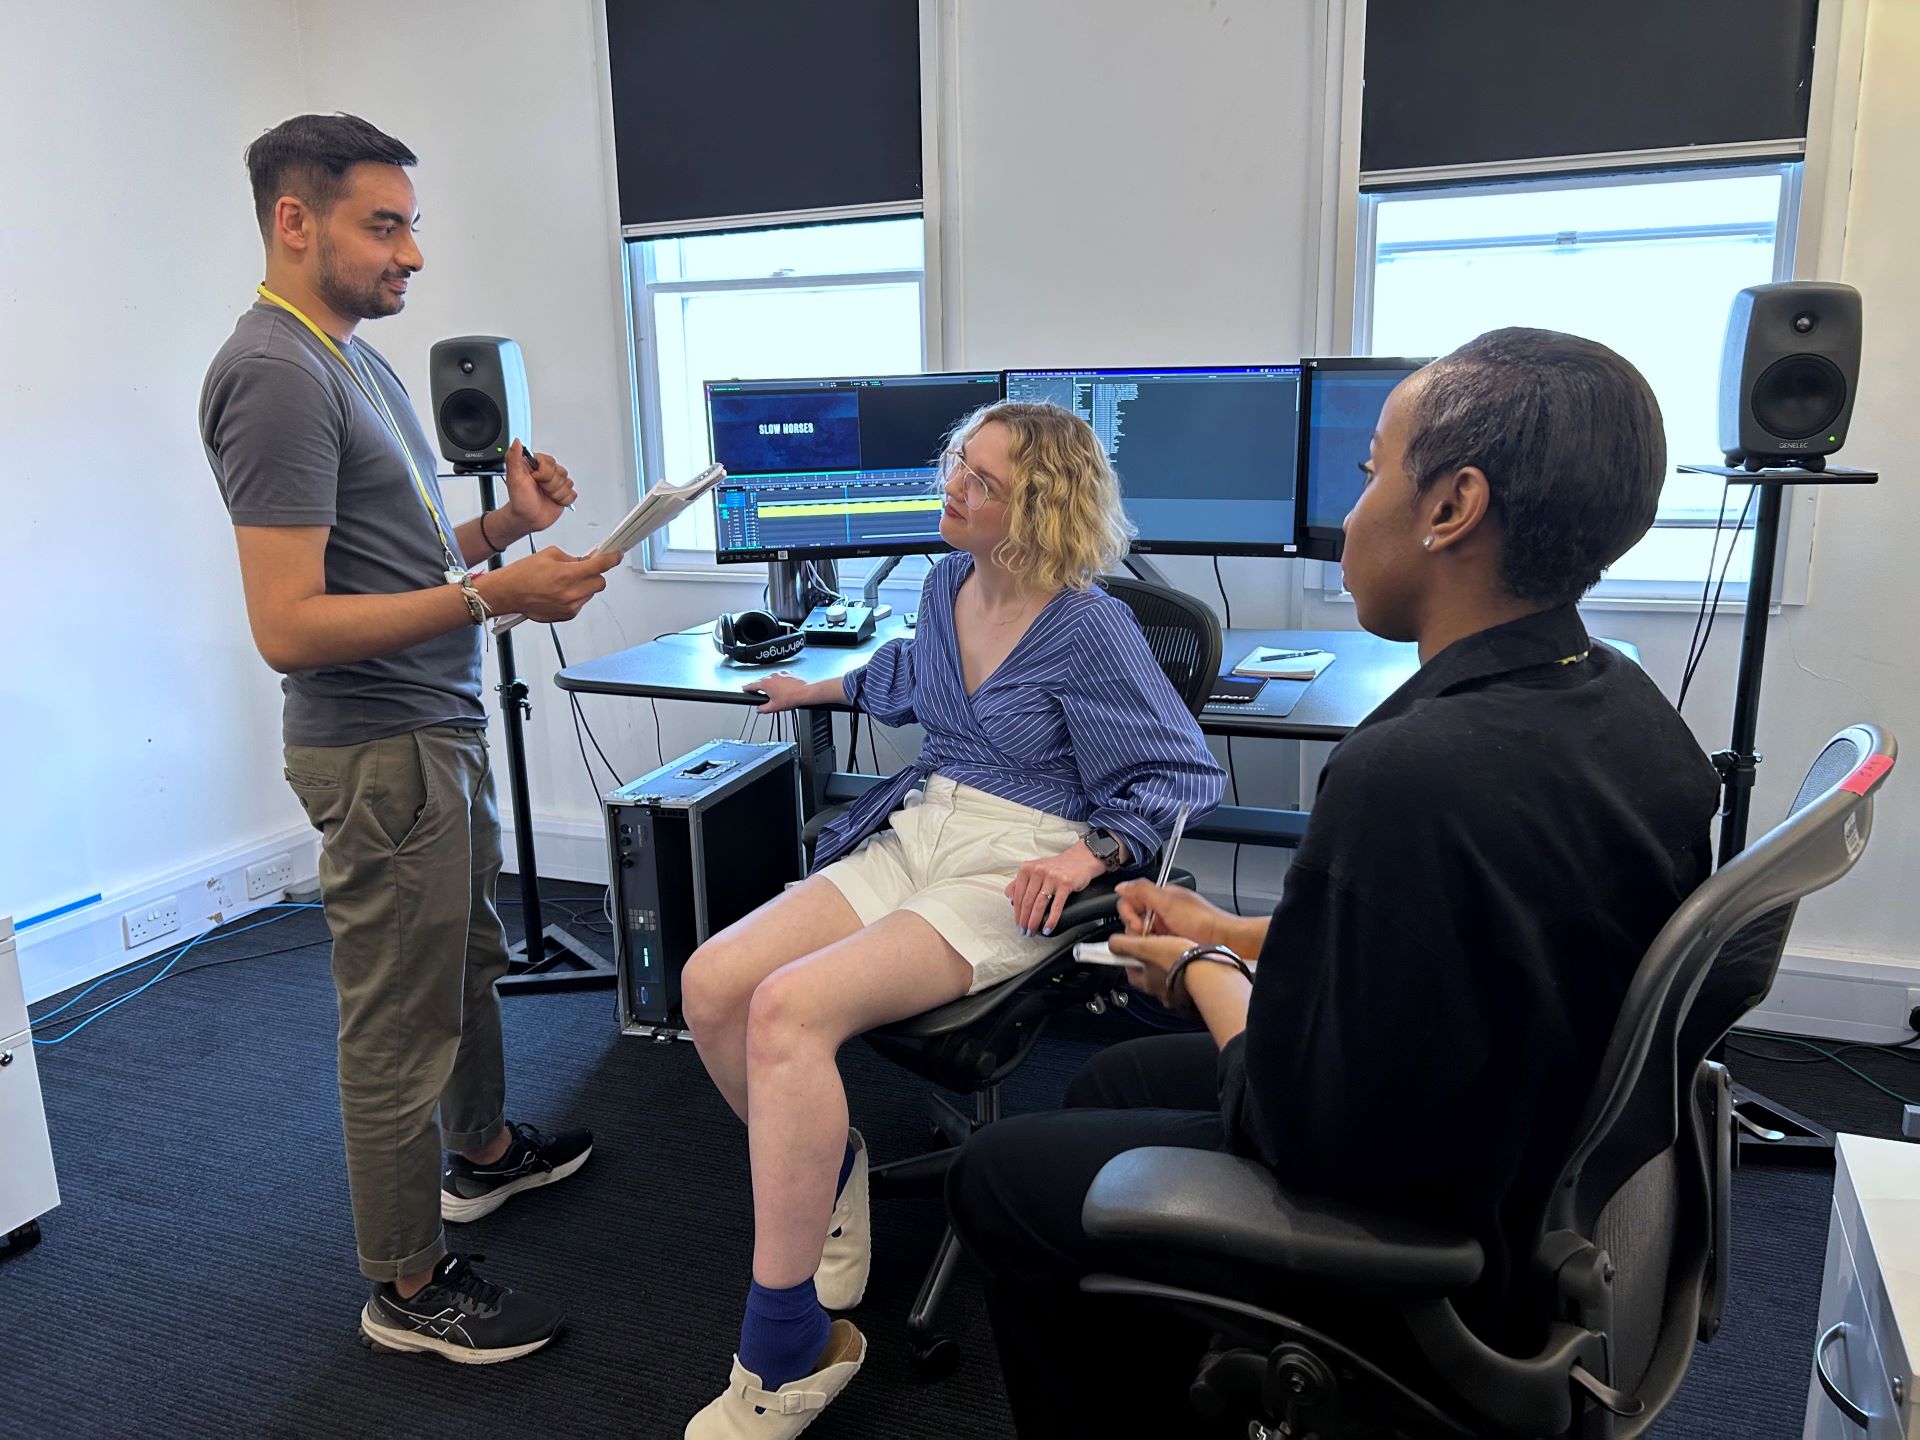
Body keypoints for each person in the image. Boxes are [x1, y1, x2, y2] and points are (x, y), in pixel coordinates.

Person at [945, 328, 1723, 1437]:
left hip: (1422, 1220)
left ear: (1451, 507)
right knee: (1111, 1087)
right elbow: (1433, 941)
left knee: (998, 1175)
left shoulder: (1410, 772)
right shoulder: (1625, 709)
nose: (1350, 516)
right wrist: (1232, 927)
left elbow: (1288, 1123)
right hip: (1516, 1138)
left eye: (1367, 477)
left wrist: (1202, 965)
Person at [677, 401, 1226, 1436]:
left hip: (1015, 859)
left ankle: (787, 1349)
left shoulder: (1091, 626)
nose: (951, 491)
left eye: (979, 481)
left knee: (789, 1012)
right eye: (955, 468)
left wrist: (1092, 848)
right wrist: (814, 686)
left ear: (1040, 508)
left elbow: (1177, 772)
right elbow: (905, 678)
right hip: (923, 826)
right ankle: (829, 1162)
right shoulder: (944, 586)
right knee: (712, 983)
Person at [199, 113, 623, 1364]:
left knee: (469, 962)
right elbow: (287, 624)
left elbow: (399, 556)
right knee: (395, 1020)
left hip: (433, 730)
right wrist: (498, 596)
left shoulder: (354, 357)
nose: (413, 257)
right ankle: (405, 1283)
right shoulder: (272, 372)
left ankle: (482, 1154)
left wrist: (501, 535)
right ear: (295, 220)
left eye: (411, 225)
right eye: (385, 226)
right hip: (378, 750)